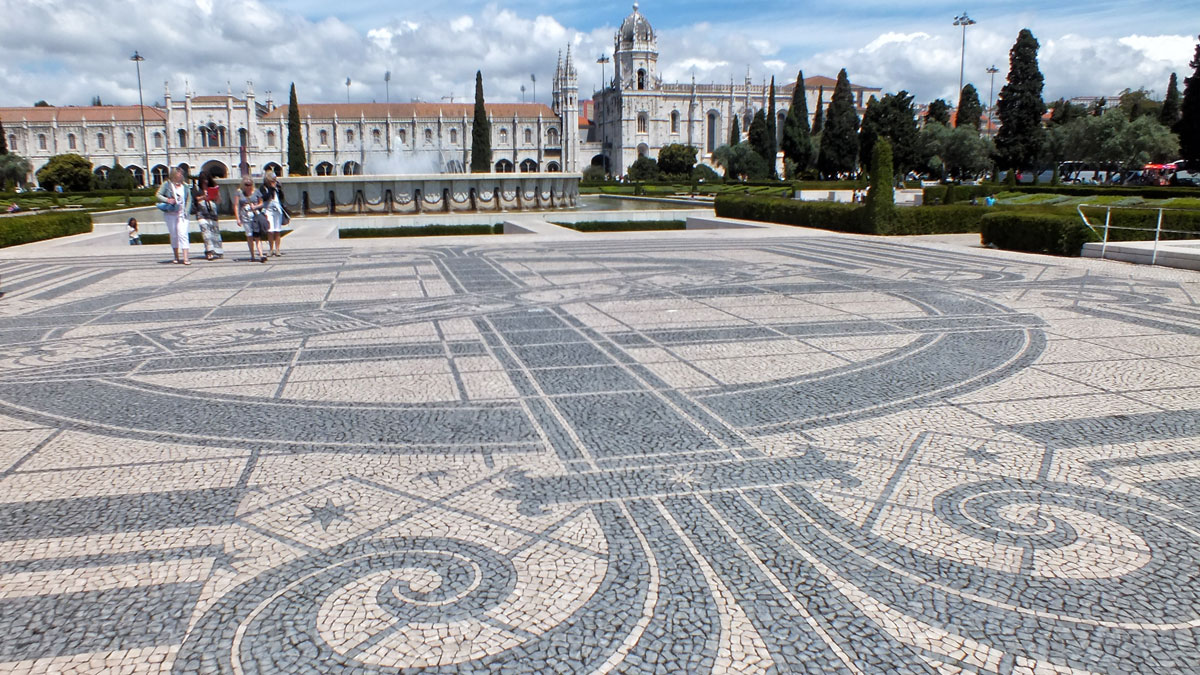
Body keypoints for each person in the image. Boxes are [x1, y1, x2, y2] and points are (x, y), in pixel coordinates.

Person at [156, 167, 192, 264]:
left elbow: (189, 199)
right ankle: (176, 256)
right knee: (174, 235)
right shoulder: (167, 184)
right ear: (174, 174)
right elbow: (158, 195)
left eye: (182, 173)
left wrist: (187, 211)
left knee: (183, 234)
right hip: (171, 213)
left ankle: (186, 258)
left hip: (182, 214)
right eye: (179, 173)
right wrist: (167, 200)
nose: (181, 175)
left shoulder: (185, 186)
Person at [233, 177, 266, 263]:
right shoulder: (239, 192)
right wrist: (238, 218)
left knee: (257, 235)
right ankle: (252, 255)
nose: (248, 187)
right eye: (246, 185)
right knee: (249, 236)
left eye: (250, 184)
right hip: (245, 217)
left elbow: (262, 203)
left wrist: (255, 206)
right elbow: (236, 205)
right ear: (243, 185)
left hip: (255, 216)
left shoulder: (256, 191)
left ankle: (261, 255)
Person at [193, 172, 224, 260]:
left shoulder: (212, 187)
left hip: (212, 213)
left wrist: (216, 195)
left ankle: (218, 251)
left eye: (206, 180)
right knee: (206, 234)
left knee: (215, 233)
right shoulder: (197, 188)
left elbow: (218, 201)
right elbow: (195, 199)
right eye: (203, 181)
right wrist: (204, 197)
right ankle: (209, 251)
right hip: (201, 214)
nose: (205, 182)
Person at [257, 171, 286, 257]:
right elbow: (265, 197)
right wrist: (271, 188)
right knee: (270, 230)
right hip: (268, 210)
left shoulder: (277, 187)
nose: (274, 182)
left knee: (277, 230)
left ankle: (277, 249)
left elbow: (282, 197)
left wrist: (279, 189)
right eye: (272, 180)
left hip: (277, 210)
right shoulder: (263, 187)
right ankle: (271, 249)